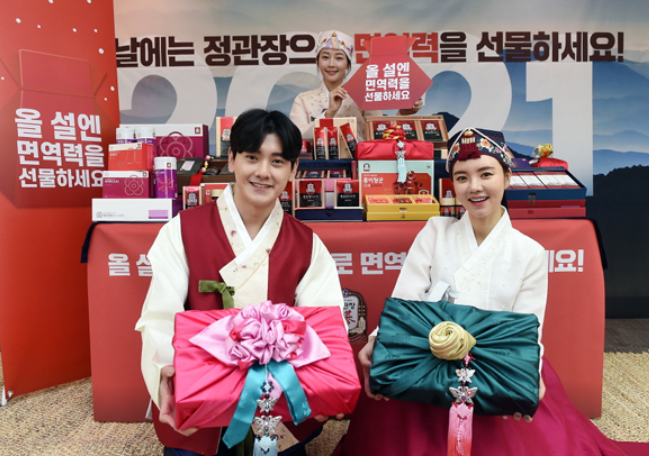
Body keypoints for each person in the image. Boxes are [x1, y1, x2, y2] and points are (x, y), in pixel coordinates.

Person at [336, 128, 646, 456]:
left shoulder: (529, 252)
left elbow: (528, 326)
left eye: (486, 174)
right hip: (427, 358)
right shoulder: (434, 231)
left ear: (507, 177)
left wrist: (529, 373)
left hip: (495, 362)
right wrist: (378, 341)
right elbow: (406, 299)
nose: (474, 187)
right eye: (462, 177)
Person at [135, 109, 346, 456]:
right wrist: (167, 379)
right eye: (252, 157)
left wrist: (324, 384)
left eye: (277, 161)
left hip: (279, 405)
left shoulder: (307, 244)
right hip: (200, 399)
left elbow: (325, 325)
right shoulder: (182, 230)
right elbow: (161, 318)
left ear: (293, 170)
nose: (263, 172)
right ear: (231, 159)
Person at [289, 30, 423, 142]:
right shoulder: (303, 100)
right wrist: (329, 113)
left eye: (339, 58)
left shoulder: (364, 97)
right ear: (317, 61)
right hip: (315, 165)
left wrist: (403, 113)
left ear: (348, 64)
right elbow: (295, 141)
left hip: (360, 165)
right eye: (325, 57)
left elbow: (381, 136)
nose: (331, 64)